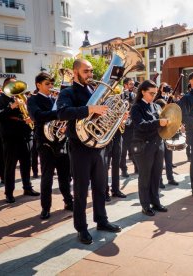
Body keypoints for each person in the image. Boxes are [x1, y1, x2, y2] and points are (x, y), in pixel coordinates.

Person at [57, 59, 121, 245]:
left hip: (98, 146)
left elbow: (103, 114)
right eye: (86, 71)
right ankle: (82, 228)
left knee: (101, 187)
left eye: (91, 71)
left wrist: (115, 115)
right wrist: (89, 109)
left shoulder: (94, 90)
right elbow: (62, 113)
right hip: (79, 148)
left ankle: (101, 220)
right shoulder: (67, 92)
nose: (90, 75)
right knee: (81, 190)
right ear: (75, 72)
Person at [27, 72, 73, 219]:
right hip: (45, 143)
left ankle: (68, 201)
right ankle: (45, 208)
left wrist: (64, 122)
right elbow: (37, 116)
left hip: (60, 141)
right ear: (38, 85)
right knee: (47, 177)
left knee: (64, 176)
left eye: (52, 84)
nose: (51, 87)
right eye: (47, 84)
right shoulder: (33, 100)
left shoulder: (55, 99)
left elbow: (64, 117)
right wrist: (58, 114)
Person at [130, 80, 168, 216]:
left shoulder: (155, 106)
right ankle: (145, 205)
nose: (154, 96)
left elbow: (161, 125)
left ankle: (156, 202)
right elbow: (141, 125)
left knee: (156, 175)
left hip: (158, 144)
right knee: (145, 176)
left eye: (155, 93)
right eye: (151, 93)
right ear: (143, 92)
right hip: (143, 145)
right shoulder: (136, 107)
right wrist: (158, 122)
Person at [0, 77, 39, 203]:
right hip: (10, 137)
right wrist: (12, 107)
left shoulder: (22, 98)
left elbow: (28, 114)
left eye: (16, 84)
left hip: (25, 135)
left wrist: (27, 108)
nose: (15, 87)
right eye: (12, 85)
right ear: (5, 86)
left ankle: (27, 187)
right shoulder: (1, 99)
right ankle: (9, 192)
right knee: (10, 166)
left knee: (26, 164)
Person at [155, 98, 179, 188]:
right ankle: (159, 180)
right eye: (164, 108)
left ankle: (170, 178)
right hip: (160, 140)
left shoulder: (166, 115)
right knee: (160, 163)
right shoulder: (156, 115)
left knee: (169, 160)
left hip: (167, 139)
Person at [120, 77, 138, 177]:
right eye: (130, 84)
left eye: (133, 84)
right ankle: (123, 169)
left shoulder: (136, 96)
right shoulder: (120, 96)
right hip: (124, 126)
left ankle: (136, 167)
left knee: (134, 147)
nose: (132, 86)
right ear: (125, 85)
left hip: (133, 125)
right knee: (123, 149)